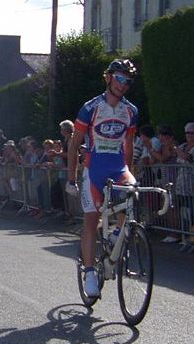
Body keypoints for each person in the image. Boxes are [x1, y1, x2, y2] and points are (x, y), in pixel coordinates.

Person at [66, 58, 138, 298]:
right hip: (94, 168)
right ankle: (88, 273)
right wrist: (71, 178)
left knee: (132, 192)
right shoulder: (91, 107)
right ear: (108, 78)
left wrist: (130, 172)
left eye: (127, 81)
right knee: (91, 220)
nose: (123, 84)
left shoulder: (131, 111)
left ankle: (118, 232)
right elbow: (75, 143)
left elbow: (128, 146)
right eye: (119, 78)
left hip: (117, 167)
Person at [174, 122, 194, 248]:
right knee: (184, 211)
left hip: (193, 184)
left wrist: (176, 149)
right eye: (188, 132)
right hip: (181, 184)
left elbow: (187, 157)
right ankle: (185, 235)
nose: (190, 135)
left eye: (193, 133)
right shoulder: (182, 145)